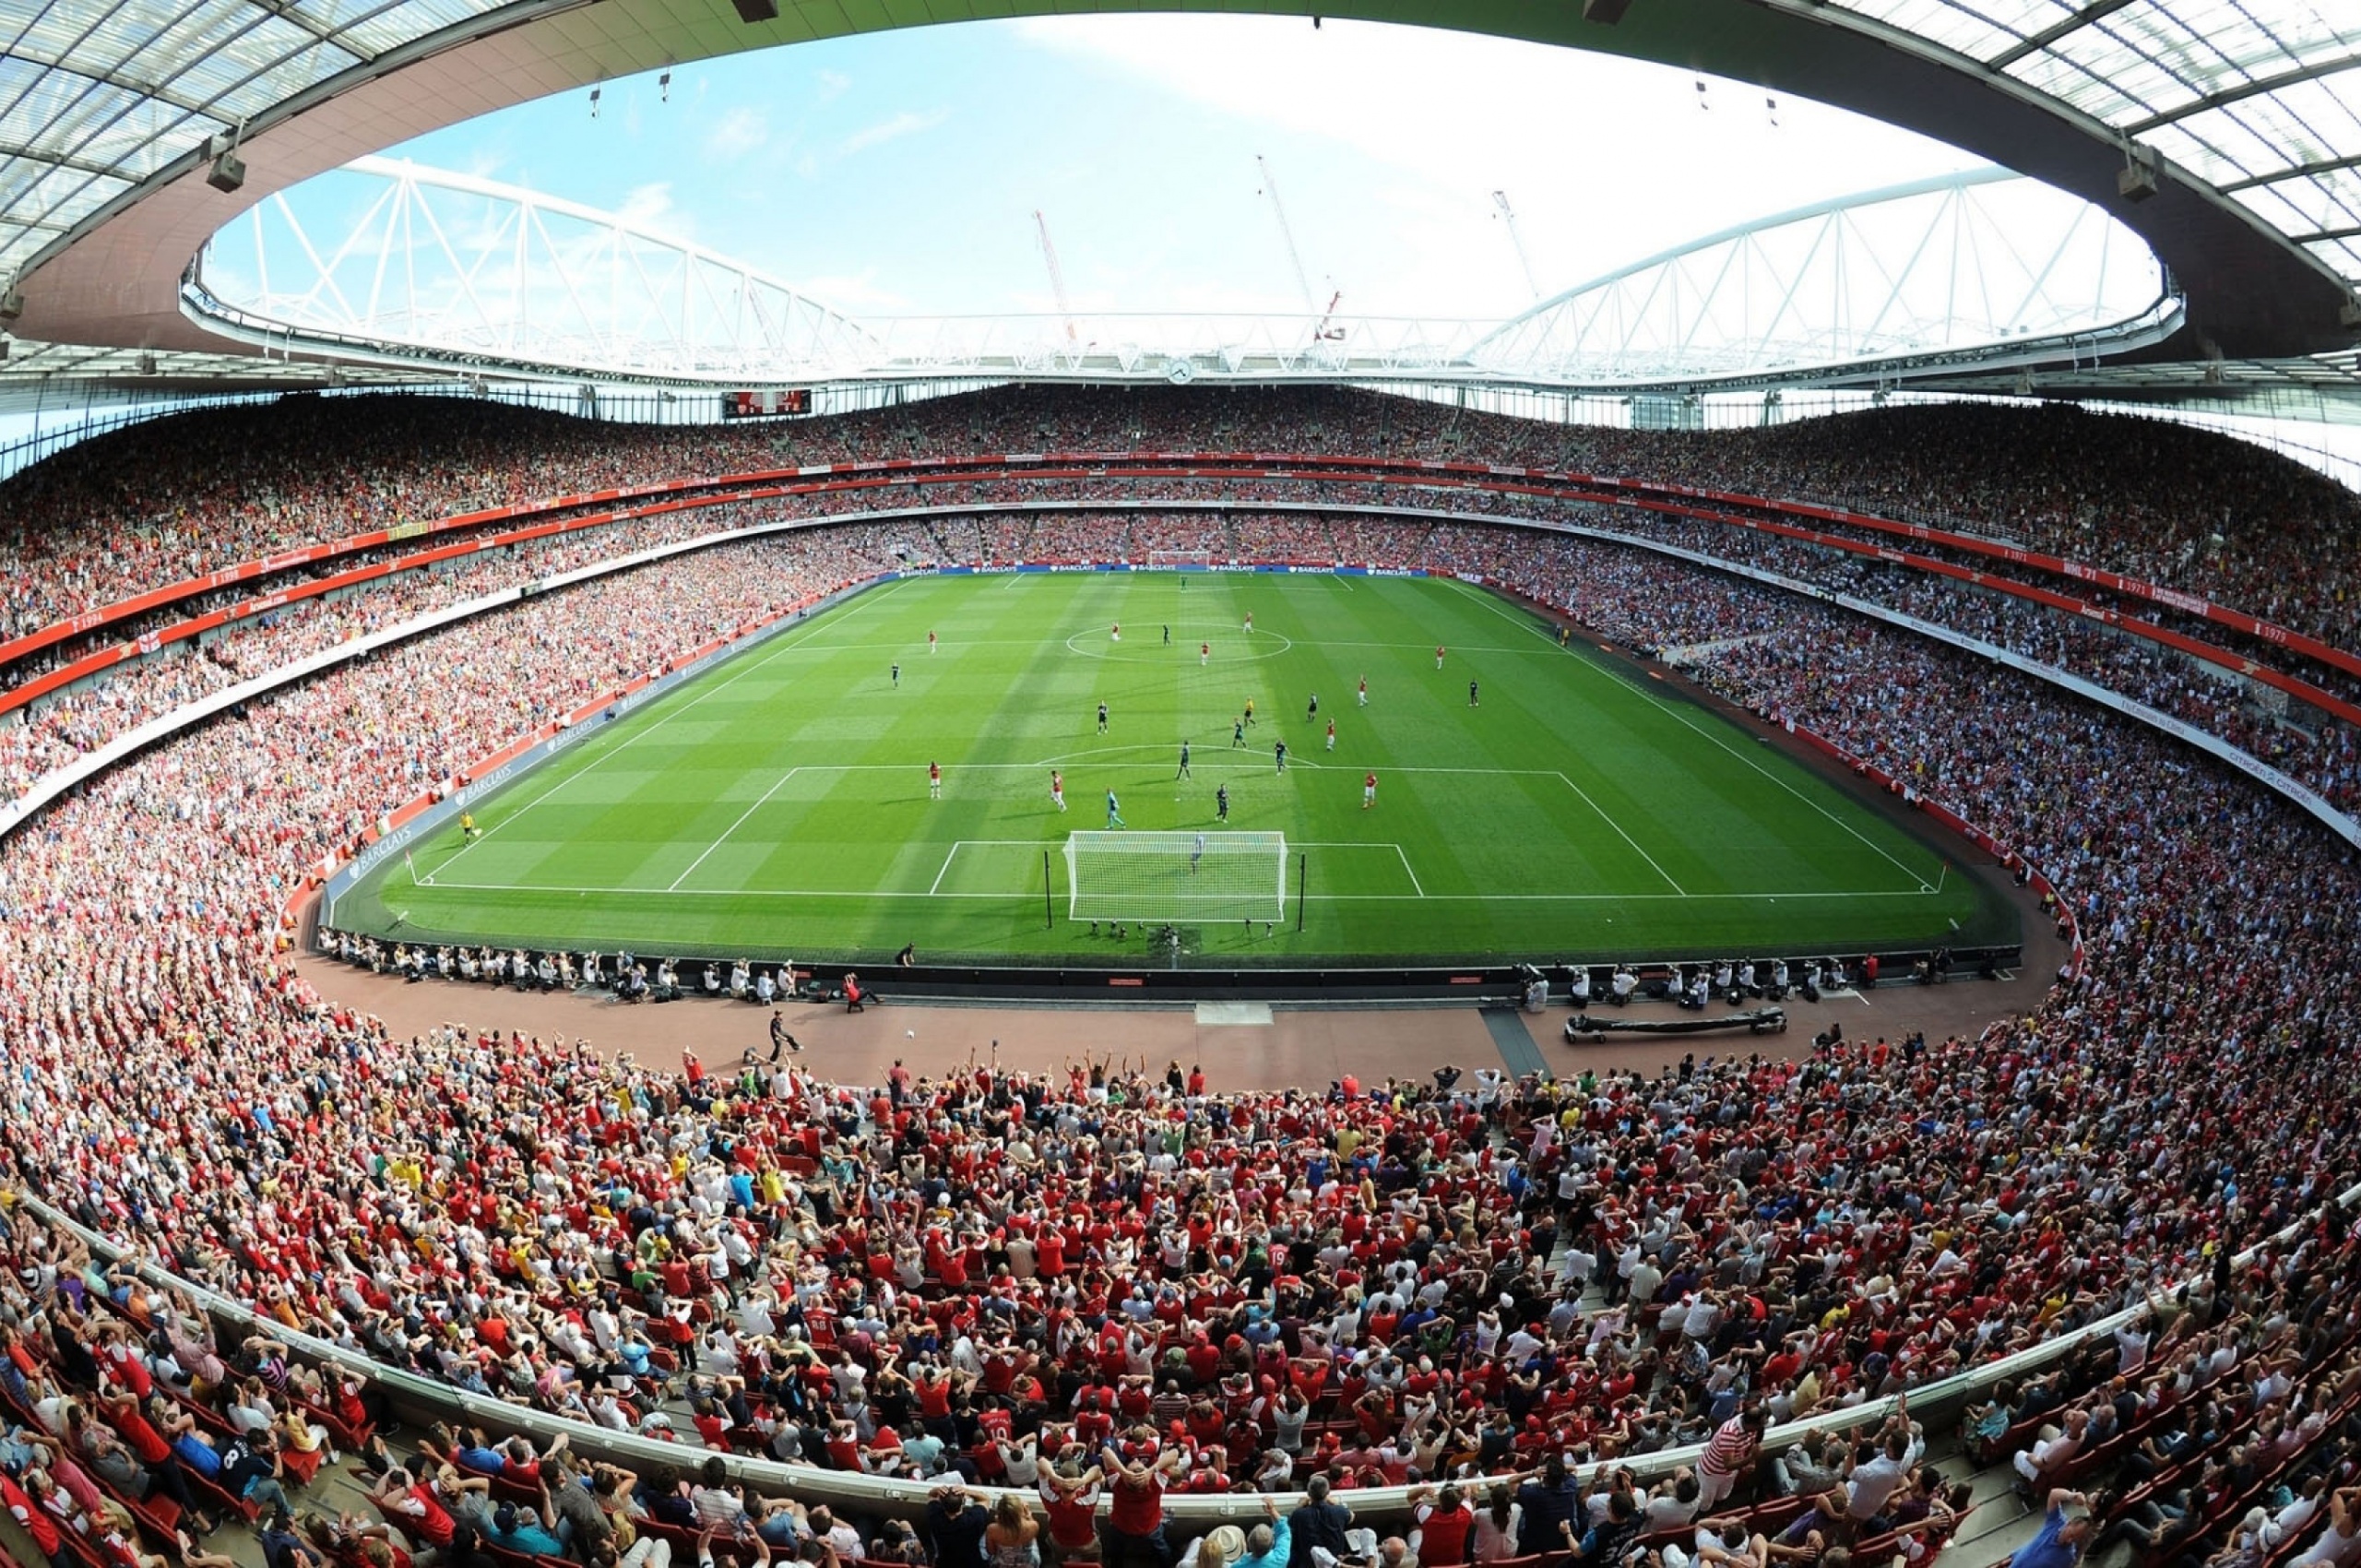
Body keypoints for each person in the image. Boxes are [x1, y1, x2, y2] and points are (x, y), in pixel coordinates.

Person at [2009, 1490, 2096, 1568]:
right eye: (2071, 1535)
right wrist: (2071, 1496)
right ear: (2069, 1524)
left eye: (2074, 1540)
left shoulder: (2067, 1557)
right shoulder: (2057, 1521)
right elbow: (2053, 1495)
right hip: (2013, 1561)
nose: (2070, 1540)